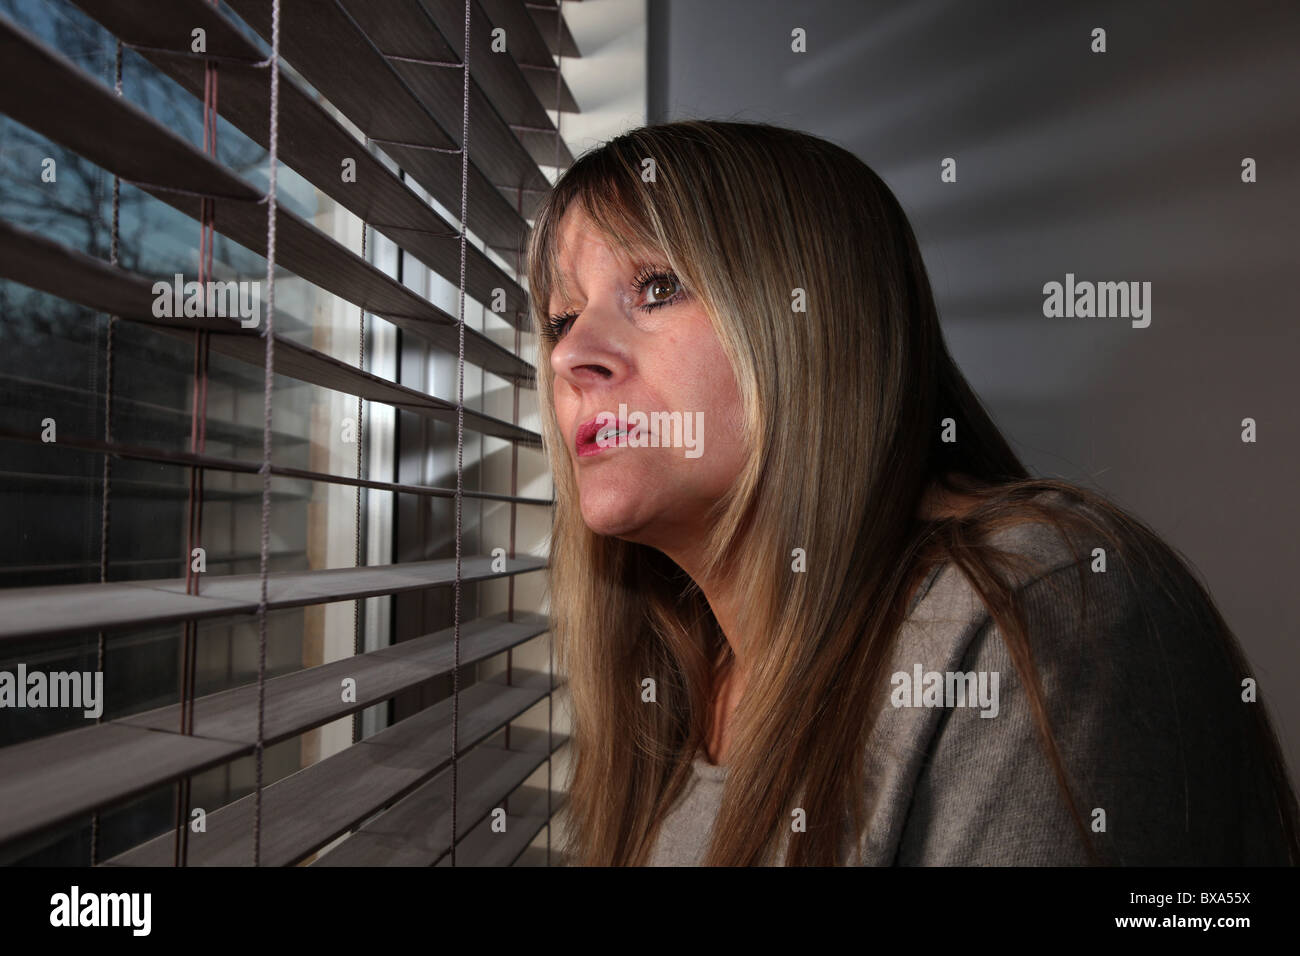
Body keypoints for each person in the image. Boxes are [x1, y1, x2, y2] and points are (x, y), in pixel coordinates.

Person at [524, 119, 1298, 866]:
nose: (573, 356)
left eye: (657, 287)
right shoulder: (674, 678)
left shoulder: (1035, 611)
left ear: (816, 318)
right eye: (562, 319)